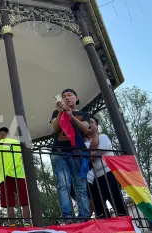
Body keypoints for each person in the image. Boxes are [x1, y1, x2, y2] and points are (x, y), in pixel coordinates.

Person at [50, 89, 90, 222]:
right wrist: (62, 111)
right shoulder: (57, 112)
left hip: (78, 154)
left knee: (80, 187)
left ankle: (84, 217)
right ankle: (67, 217)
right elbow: (55, 128)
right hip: (59, 153)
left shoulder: (84, 114)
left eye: (69, 95)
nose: (66, 98)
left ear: (76, 98)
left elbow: (85, 128)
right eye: (64, 96)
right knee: (63, 185)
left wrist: (71, 115)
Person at [85, 115, 127, 218]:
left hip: (109, 173)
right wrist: (91, 154)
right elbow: (89, 157)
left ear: (97, 125)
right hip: (96, 178)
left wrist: (89, 154)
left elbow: (98, 153)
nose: (89, 124)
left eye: (91, 122)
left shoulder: (103, 137)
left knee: (116, 200)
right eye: (87, 122)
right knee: (99, 207)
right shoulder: (83, 143)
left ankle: (126, 224)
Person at [0, 127, 30, 227]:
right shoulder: (17, 143)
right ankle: (27, 223)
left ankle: (12, 225)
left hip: (5, 176)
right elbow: (25, 158)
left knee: (10, 204)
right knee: (24, 201)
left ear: (2, 134)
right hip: (19, 175)